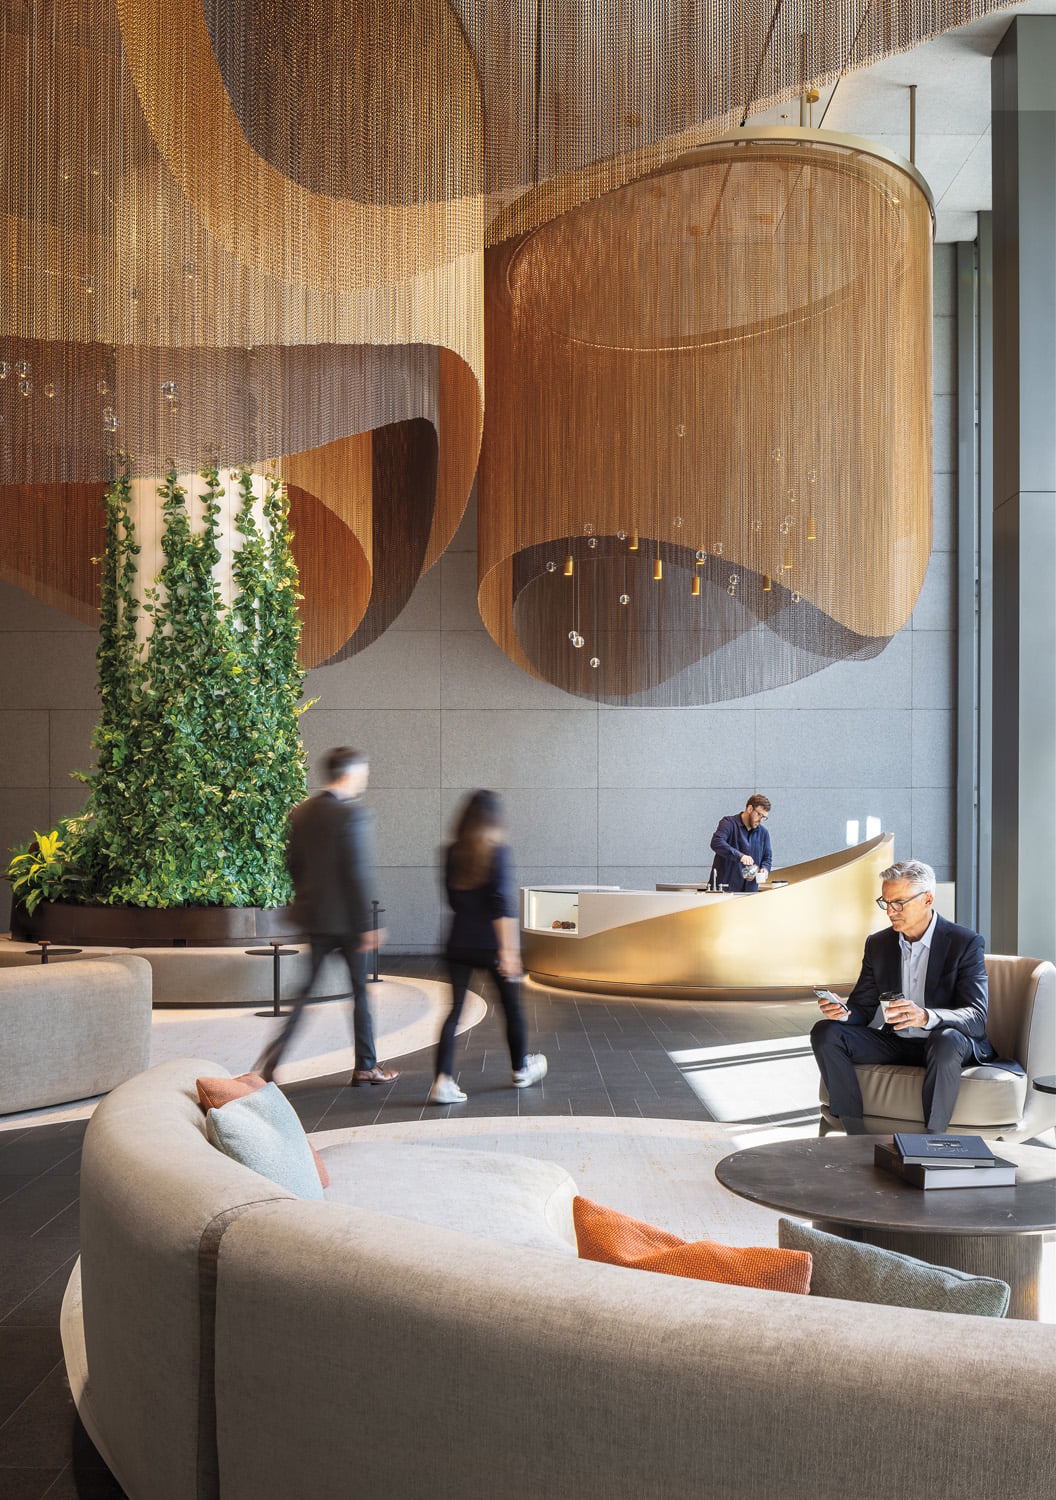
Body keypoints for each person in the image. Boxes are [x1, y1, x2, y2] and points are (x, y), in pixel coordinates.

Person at [811, 859, 994, 1134]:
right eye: (886, 903)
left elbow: (976, 1017)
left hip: (945, 1044)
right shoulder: (878, 944)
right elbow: (863, 1006)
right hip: (896, 1041)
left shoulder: (964, 943)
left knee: (945, 1040)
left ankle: (933, 1142)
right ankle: (853, 1133)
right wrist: (845, 1013)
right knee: (826, 1032)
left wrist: (926, 1016)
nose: (891, 912)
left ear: (927, 899)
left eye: (899, 903)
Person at [254, 747, 399, 1087]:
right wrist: (368, 926)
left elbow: (293, 864)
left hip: (316, 920)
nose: (366, 777)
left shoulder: (301, 813)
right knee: (361, 994)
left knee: (304, 996)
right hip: (349, 925)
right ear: (349, 773)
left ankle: (271, 1062)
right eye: (364, 771)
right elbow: (357, 874)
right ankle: (366, 1065)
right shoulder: (352, 816)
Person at [429, 790, 547, 1105]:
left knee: (453, 1012)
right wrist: (510, 952)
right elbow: (501, 906)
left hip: (457, 942)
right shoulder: (498, 852)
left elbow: (451, 899)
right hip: (492, 946)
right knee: (511, 1008)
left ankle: (442, 1080)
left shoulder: (451, 852)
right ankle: (521, 1068)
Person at [709, 794, 772, 891]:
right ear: (750, 809)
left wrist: (765, 869)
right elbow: (716, 842)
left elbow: (767, 858)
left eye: (764, 817)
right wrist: (740, 856)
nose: (760, 820)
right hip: (725, 891)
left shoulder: (764, 833)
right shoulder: (728, 823)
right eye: (759, 815)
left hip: (750, 892)